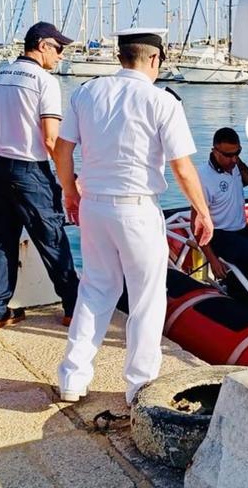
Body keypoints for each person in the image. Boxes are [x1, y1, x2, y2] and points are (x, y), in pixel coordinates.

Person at [54, 28, 213, 405]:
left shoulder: (86, 92)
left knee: (95, 289)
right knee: (147, 298)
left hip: (94, 205)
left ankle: (73, 378)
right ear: (154, 59)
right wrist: (202, 211)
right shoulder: (162, 101)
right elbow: (182, 167)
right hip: (137, 209)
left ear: (120, 56)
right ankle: (139, 385)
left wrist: (70, 192)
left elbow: (61, 150)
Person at [0, 22, 78, 330]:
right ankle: (74, 308)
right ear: (42, 45)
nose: (61, 56)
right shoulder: (44, 81)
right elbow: (51, 139)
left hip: (0, 167)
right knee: (53, 239)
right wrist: (70, 180)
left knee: (2, 241)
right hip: (31, 170)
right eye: (58, 48)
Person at [195, 128, 248, 297]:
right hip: (220, 234)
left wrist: (238, 163)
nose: (233, 159)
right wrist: (212, 259)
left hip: (241, 230)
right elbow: (195, 225)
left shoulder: (235, 166)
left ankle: (239, 296)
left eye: (237, 153)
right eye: (228, 155)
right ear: (215, 151)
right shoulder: (203, 178)